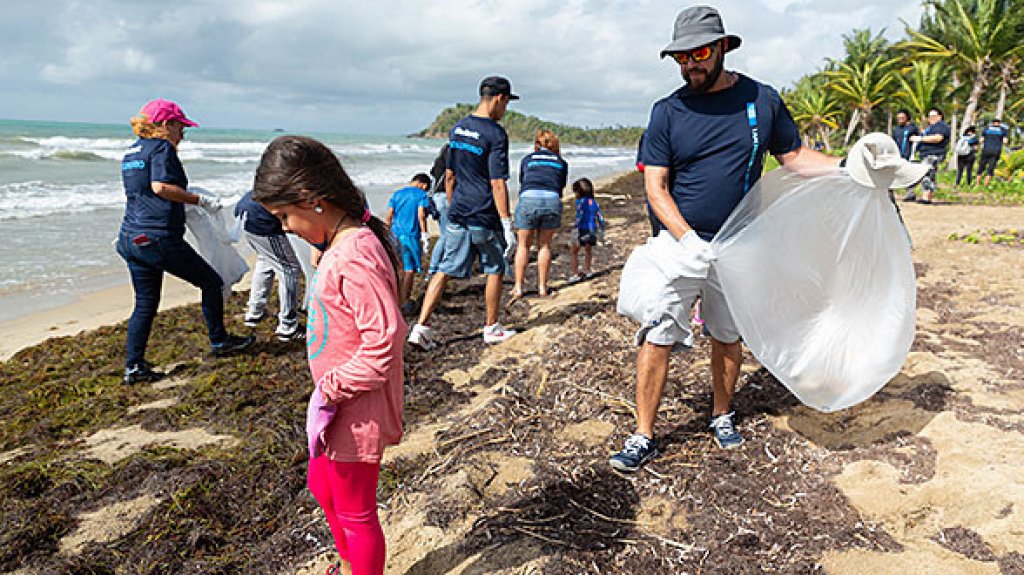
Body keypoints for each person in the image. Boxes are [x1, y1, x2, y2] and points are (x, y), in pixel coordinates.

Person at [609, 6, 841, 472]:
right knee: (658, 331)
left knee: (727, 333)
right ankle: (643, 434)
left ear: (721, 48)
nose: (689, 65)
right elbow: (655, 187)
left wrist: (851, 167)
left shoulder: (761, 99)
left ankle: (720, 414)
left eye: (698, 54)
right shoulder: (667, 112)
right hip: (678, 246)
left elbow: (794, 156)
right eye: (681, 58)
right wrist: (686, 238)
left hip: (739, 242)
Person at [252, 135, 404, 575]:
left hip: (355, 407)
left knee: (356, 511)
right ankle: (347, 562)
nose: (285, 228)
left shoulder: (355, 255)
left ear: (312, 199)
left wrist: (332, 389)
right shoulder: (338, 248)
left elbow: (385, 340)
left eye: (284, 216)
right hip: (334, 404)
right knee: (322, 487)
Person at [116, 99, 254, 384]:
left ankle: (134, 367)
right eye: (181, 127)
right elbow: (160, 188)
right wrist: (199, 200)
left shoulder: (132, 152)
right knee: (211, 282)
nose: (183, 134)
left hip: (130, 238)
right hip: (157, 238)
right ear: (166, 124)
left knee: (145, 303)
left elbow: (143, 193)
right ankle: (220, 341)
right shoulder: (162, 148)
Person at [407, 76, 520, 350]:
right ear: (499, 99)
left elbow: (449, 174)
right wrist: (507, 223)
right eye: (506, 103)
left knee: (444, 269)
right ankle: (491, 327)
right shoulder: (495, 134)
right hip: (483, 213)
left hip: (458, 211)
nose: (505, 110)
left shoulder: (458, 129)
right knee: (495, 268)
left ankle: (421, 328)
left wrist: (453, 204)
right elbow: (497, 182)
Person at [234, 190, 305, 341]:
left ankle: (254, 313)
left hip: (245, 212)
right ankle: (288, 327)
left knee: (265, 261)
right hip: (261, 219)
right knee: (289, 270)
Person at [512, 129, 569, 298]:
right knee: (544, 246)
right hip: (551, 200)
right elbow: (560, 185)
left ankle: (518, 287)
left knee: (523, 245)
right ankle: (542, 287)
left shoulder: (527, 159)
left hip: (529, 198)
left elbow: (523, 180)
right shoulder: (561, 162)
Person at [385, 173, 432, 312]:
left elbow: (389, 215)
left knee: (397, 268)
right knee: (409, 270)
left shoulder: (397, 194)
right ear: (424, 185)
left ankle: (394, 298)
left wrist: (386, 232)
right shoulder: (421, 195)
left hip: (394, 235)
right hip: (410, 236)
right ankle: (403, 301)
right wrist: (425, 234)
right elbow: (421, 215)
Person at [905, 107, 950, 204]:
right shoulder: (930, 128)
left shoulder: (941, 126)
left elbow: (938, 138)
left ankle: (926, 197)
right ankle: (926, 196)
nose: (931, 118)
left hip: (934, 153)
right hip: (926, 154)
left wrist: (920, 139)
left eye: (934, 116)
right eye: (929, 116)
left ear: (940, 117)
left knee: (927, 174)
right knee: (928, 174)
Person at [568, 177, 604, 282]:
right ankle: (588, 270)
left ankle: (575, 274)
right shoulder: (594, 202)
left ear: (578, 192)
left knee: (574, 251)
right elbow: (600, 217)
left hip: (581, 229)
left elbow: (580, 216)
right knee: (588, 250)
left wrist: (575, 225)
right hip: (592, 229)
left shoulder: (579, 202)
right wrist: (601, 229)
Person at [427, 143, 450, 275]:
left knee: (445, 234)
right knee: (446, 235)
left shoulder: (437, 165)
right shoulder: (451, 164)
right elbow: (450, 180)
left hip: (436, 198)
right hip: (445, 198)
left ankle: (437, 267)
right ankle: (434, 268)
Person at [977, 118, 1009, 187]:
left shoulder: (987, 128)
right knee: (991, 168)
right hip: (996, 151)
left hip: (986, 150)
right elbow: (1005, 141)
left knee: (981, 167)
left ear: (992, 123)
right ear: (999, 123)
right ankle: (985, 186)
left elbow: (981, 140)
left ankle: (977, 185)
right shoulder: (1003, 130)